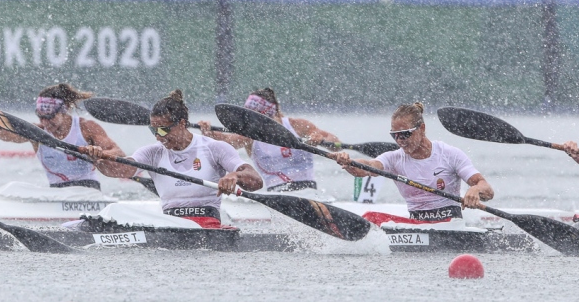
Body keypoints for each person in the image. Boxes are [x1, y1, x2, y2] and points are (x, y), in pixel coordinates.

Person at [89, 90, 263, 222]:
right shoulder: (152, 153)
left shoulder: (213, 148)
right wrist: (98, 160)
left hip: (208, 223)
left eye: (163, 130)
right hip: (170, 223)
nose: (158, 136)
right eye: (154, 130)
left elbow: (256, 181)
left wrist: (235, 176)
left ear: (181, 124)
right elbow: (120, 169)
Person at [333, 102, 494, 221]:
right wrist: (349, 162)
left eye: (404, 134)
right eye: (394, 135)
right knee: (369, 217)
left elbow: (487, 190)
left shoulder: (449, 154)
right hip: (416, 224)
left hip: (449, 223)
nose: (399, 140)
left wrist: (475, 190)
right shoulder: (394, 158)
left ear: (422, 129)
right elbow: (367, 167)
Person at [197, 87, 340, 192]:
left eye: (258, 117)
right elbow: (225, 141)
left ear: (272, 113)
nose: (254, 123)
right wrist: (209, 132)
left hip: (309, 191)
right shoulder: (250, 135)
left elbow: (336, 144)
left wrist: (320, 139)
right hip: (278, 193)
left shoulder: (297, 125)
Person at [0, 83, 124, 190]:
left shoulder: (86, 128)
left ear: (64, 111)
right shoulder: (36, 132)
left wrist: (100, 153)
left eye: (49, 117)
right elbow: (6, 135)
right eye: (41, 117)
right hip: (56, 193)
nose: (45, 122)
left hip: (87, 190)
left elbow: (119, 153)